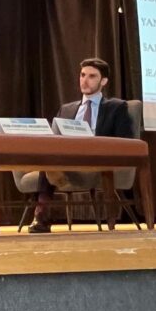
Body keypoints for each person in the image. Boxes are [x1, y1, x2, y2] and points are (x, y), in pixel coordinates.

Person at [28, 57, 134, 233]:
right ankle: (41, 217)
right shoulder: (67, 109)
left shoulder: (116, 107)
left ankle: (49, 195)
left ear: (104, 81)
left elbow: (125, 139)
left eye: (92, 76)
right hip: (67, 157)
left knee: (49, 165)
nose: (84, 80)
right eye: (82, 75)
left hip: (98, 160)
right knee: (48, 156)